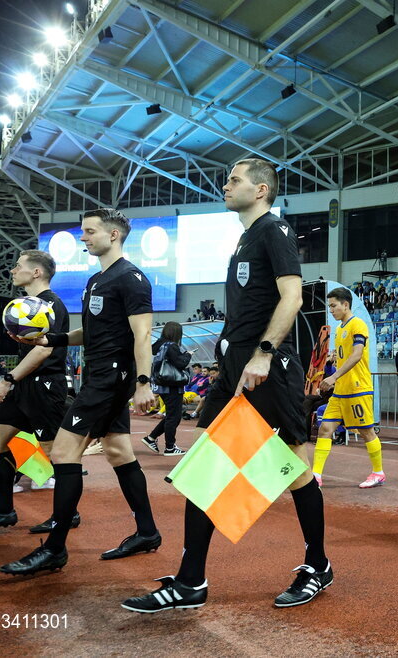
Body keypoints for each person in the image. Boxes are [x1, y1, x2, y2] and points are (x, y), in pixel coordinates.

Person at [123, 158, 331, 612]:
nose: (225, 183)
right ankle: (190, 581)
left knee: (296, 465)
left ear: (260, 190)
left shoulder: (274, 230)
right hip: (236, 365)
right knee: (205, 467)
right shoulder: (244, 237)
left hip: (269, 366)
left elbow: (292, 297)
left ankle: (318, 564)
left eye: (235, 179)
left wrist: (263, 353)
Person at [0, 209, 160, 575]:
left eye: (90, 232)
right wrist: (50, 338)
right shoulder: (95, 280)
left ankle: (55, 548)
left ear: (114, 235)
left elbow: (143, 334)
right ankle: (147, 532)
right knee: (119, 451)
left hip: (111, 378)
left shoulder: (131, 278)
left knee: (65, 451)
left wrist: (144, 381)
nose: (84, 238)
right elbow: (89, 334)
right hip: (99, 374)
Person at [0, 250, 74, 534]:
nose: (12, 270)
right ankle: (3, 511)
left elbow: (43, 349)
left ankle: (67, 514)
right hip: (25, 387)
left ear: (36, 272)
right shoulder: (28, 305)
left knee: (55, 454)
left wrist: (7, 380)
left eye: (18, 266)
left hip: (45, 387)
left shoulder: (51, 305)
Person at [311, 287, 386, 489]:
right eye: (330, 306)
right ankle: (315, 475)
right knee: (325, 429)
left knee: (366, 431)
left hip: (357, 388)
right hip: (341, 391)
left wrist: (333, 376)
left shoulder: (358, 324)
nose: (332, 310)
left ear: (346, 304)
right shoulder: (340, 329)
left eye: (334, 306)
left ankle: (378, 472)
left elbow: (357, 354)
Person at [142, 322, 192, 456]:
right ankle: (170, 447)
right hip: (172, 385)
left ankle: (151, 438)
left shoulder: (159, 345)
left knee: (171, 416)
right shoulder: (172, 346)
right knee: (174, 417)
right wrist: (188, 354)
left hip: (162, 384)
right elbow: (181, 363)